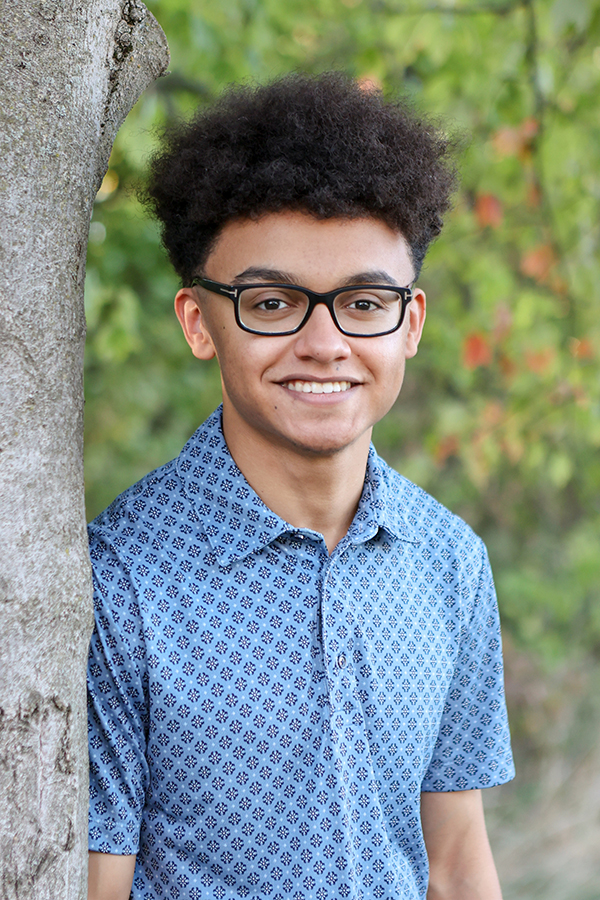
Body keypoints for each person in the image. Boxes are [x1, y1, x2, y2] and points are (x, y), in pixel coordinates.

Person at [87, 73, 515, 900]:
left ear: (411, 324)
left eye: (363, 302)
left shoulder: (451, 563)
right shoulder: (118, 579)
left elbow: (458, 862)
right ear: (196, 322)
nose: (324, 343)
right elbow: (101, 884)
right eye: (273, 302)